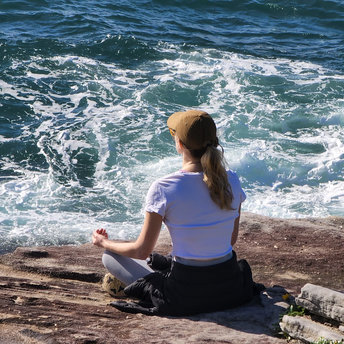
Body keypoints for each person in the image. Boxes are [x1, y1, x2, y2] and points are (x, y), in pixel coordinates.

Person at [92, 109, 264, 316]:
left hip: (185, 296)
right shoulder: (231, 179)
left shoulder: (163, 187)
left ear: (180, 145)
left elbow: (141, 251)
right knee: (162, 260)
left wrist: (103, 242)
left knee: (110, 257)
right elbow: (230, 240)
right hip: (231, 289)